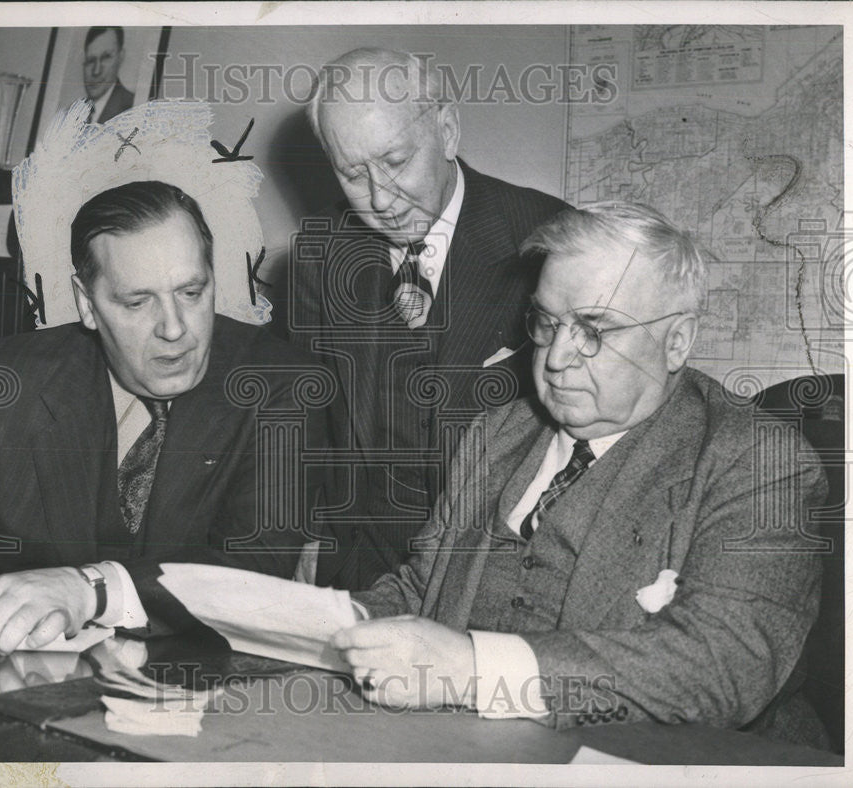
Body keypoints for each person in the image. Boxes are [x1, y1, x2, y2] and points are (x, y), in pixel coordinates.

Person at [330, 202, 827, 745]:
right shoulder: (494, 432)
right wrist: (329, 624)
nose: (556, 357)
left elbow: (725, 665)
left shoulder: (757, 460)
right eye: (546, 322)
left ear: (677, 341)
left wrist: (470, 668)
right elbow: (423, 586)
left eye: (594, 329)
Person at [0, 180, 326, 654]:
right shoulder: (2, 382)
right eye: (137, 302)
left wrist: (92, 589)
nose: (174, 329)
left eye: (190, 291)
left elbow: (255, 571)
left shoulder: (279, 386)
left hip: (200, 691)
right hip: (27, 686)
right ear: (87, 302)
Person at [289, 48, 569, 590]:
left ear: (446, 130)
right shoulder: (317, 257)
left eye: (395, 162)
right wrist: (306, 537)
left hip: (496, 573)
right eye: (352, 174)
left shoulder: (553, 242)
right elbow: (304, 415)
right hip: (356, 566)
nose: (380, 199)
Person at [83, 26, 134, 123]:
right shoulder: (72, 114)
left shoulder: (133, 107)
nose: (96, 71)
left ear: (120, 57)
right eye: (90, 60)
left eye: (106, 57)